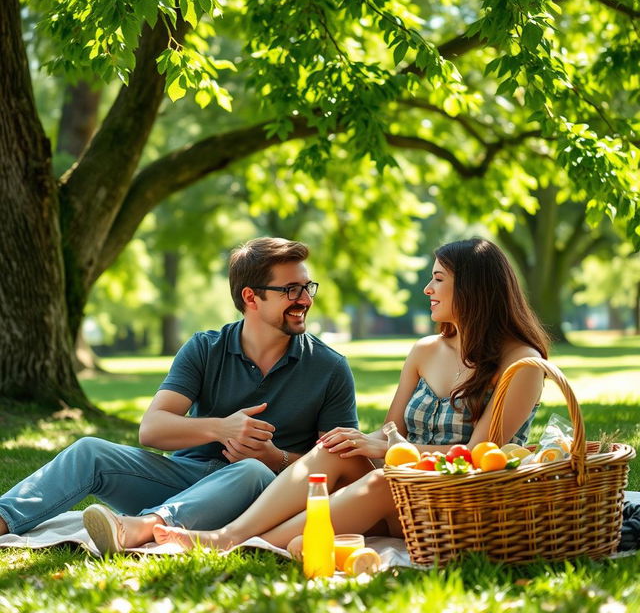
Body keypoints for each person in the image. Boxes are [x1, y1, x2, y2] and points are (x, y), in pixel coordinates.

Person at [152, 237, 550, 550]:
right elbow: (391, 431)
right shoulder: (426, 350)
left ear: (474, 289)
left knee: (381, 482)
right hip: (407, 487)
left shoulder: (522, 364)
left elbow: (481, 456)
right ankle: (230, 534)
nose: (428, 288)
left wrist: (385, 450)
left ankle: (241, 544)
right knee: (334, 449)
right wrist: (363, 442)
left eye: (439, 279)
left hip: (459, 501)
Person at [0, 237, 358, 554]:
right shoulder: (205, 348)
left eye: (308, 287)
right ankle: (4, 518)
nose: (305, 299)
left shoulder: (329, 367)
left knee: (249, 469)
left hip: (263, 496)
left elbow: (345, 470)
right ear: (251, 296)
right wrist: (222, 430)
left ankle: (142, 528)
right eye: (291, 290)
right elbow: (152, 430)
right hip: (185, 478)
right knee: (88, 451)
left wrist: (275, 458)